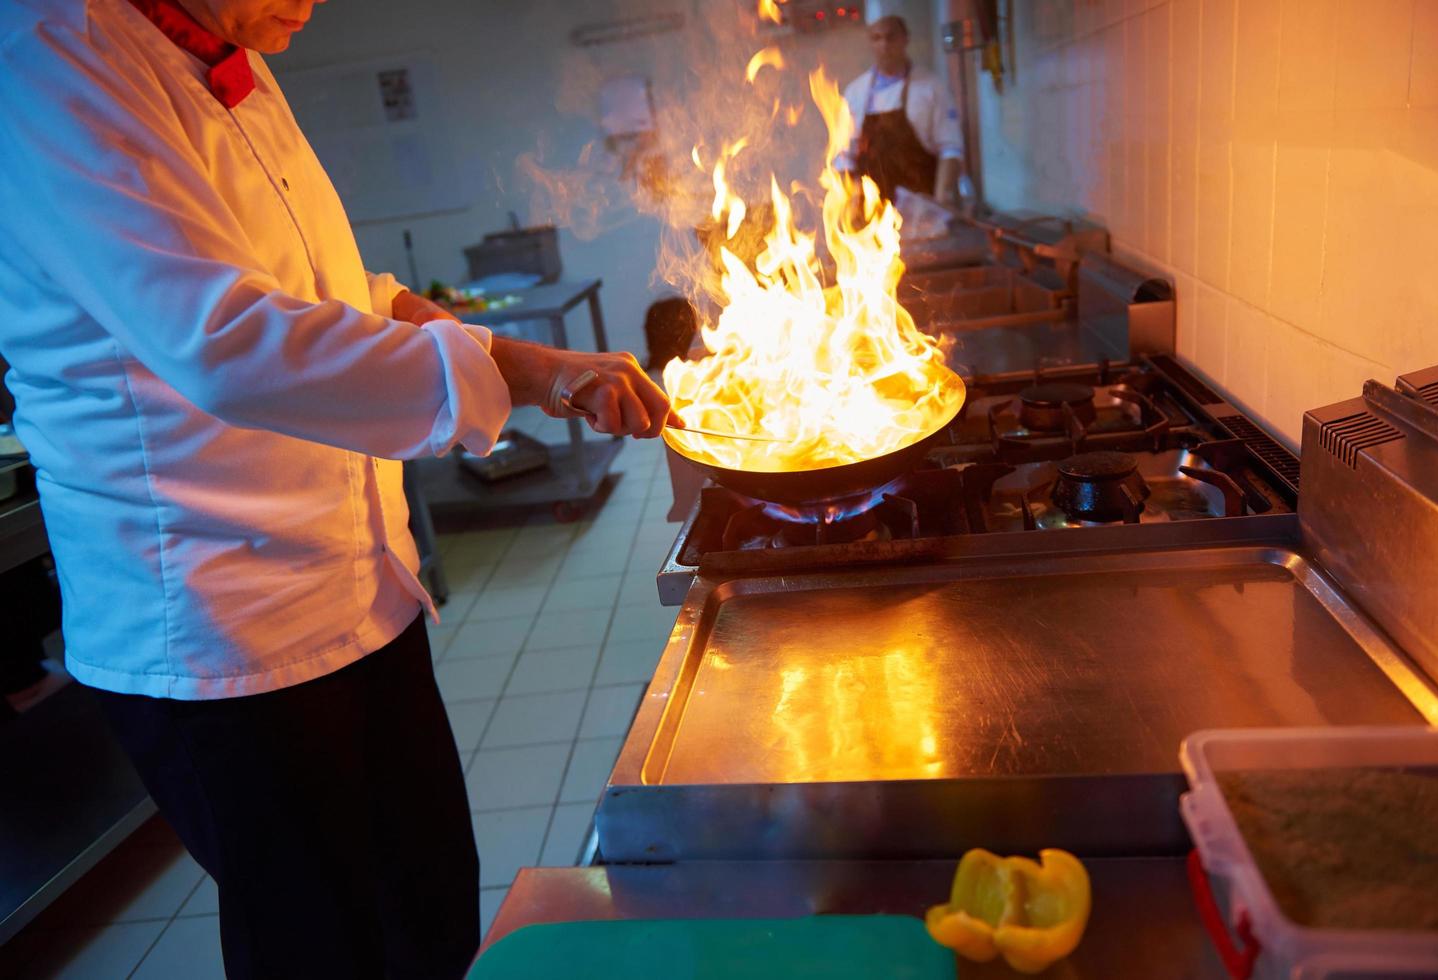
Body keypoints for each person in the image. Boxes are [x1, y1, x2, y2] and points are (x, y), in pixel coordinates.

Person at [0, 0, 671, 976]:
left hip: (357, 586)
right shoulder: (57, 59)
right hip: (222, 617)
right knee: (321, 944)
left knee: (431, 901)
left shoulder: (234, 59)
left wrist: (537, 360)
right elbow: (227, 342)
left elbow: (326, 285)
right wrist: (519, 376)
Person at [836, 14, 965, 206]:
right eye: (876, 38)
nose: (884, 45)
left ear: (905, 39)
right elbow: (845, 156)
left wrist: (940, 200)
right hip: (873, 214)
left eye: (891, 37)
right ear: (870, 43)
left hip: (923, 206)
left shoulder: (931, 88)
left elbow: (951, 149)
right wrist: (853, 200)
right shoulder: (855, 92)